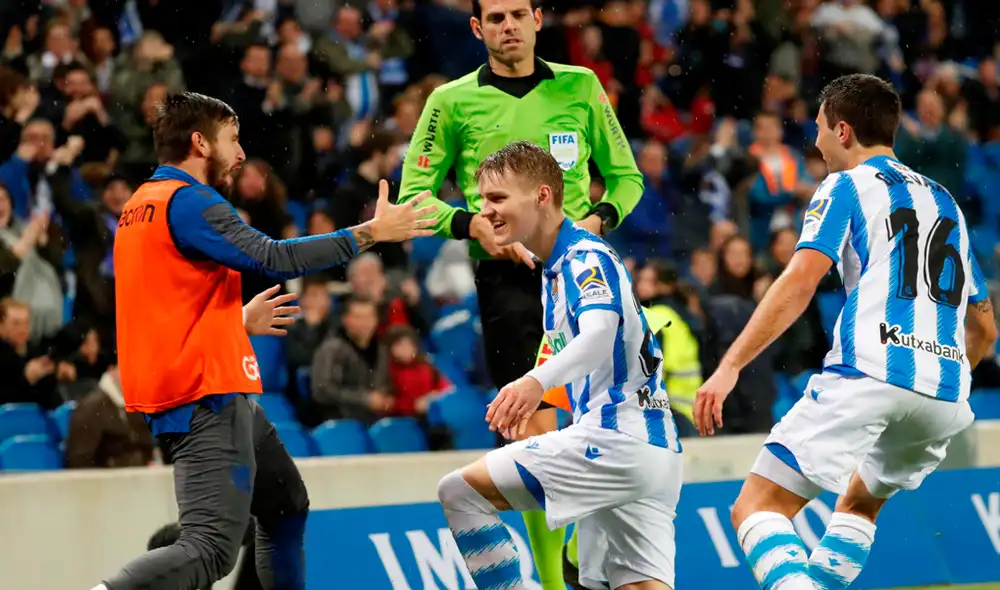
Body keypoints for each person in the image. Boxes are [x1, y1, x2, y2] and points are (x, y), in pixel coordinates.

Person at [92, 91, 434, 590]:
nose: (242, 153)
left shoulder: (140, 206)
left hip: (197, 382)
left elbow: (163, 308)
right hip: (207, 393)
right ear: (199, 144)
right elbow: (274, 257)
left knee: (285, 507)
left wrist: (233, 322)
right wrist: (370, 233)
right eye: (232, 139)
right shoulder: (189, 201)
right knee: (209, 549)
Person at [693, 74, 998, 590]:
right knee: (858, 503)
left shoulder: (845, 185)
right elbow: (985, 328)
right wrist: (934, 371)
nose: (815, 143)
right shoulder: (946, 201)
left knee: (756, 508)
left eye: (818, 130)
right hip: (945, 394)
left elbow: (800, 280)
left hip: (870, 371)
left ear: (842, 130)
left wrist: (730, 364)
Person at [398, 0, 644, 583]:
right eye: (496, 18)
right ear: (478, 28)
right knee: (532, 426)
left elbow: (627, 177)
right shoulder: (451, 101)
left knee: (600, 419)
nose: (508, 27)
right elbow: (416, 195)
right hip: (507, 283)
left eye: (518, 14)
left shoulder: (580, 87)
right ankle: (557, 579)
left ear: (538, 19)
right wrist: (474, 224)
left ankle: (589, 552)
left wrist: (598, 220)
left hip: (584, 273)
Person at [437, 141, 682, 590]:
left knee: (459, 491)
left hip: (613, 441)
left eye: (497, 198)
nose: (485, 211)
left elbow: (600, 333)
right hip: (655, 451)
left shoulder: (583, 258)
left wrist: (533, 382)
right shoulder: (556, 266)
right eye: (482, 199)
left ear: (543, 196)